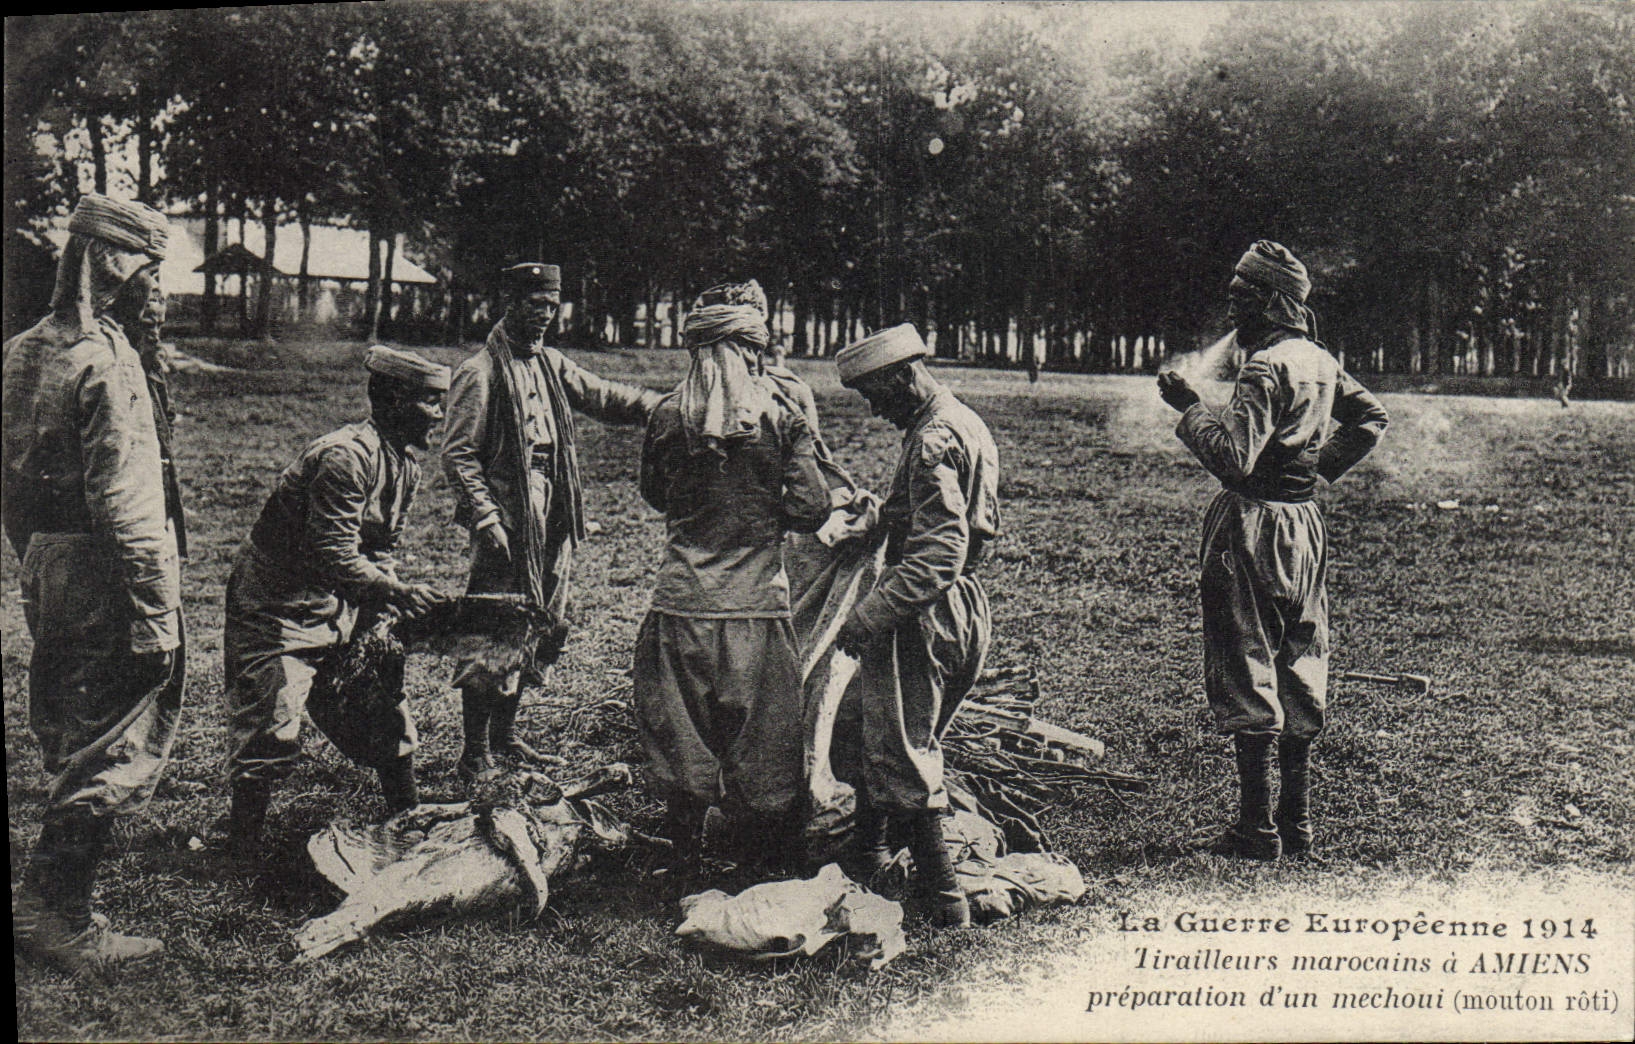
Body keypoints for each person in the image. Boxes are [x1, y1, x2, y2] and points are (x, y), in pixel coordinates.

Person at [1158, 240, 1388, 861]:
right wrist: (1314, 474)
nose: (1233, 308)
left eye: (1241, 296)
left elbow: (1233, 460)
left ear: (1270, 300)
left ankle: (1258, 829)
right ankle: (1299, 826)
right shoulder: (1316, 358)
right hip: (1303, 526)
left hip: (1252, 525)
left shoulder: (1265, 367)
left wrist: (1189, 409)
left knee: (1247, 658)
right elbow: (1370, 418)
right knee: (1299, 656)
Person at [4, 193, 185, 974]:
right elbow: (128, 503)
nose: (159, 286)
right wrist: (152, 616)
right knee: (111, 742)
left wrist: (36, 562)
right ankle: (60, 917)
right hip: (105, 570)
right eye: (151, 268)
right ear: (118, 268)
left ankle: (50, 905)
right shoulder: (107, 364)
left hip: (48, 561)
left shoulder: (23, 350)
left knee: (77, 724)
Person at [633, 281, 832, 875]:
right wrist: (762, 507)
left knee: (681, 736)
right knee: (764, 739)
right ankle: (756, 861)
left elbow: (653, 494)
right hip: (756, 605)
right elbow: (814, 508)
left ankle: (687, 859)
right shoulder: (782, 414)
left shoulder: (667, 415)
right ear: (749, 349)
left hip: (681, 603)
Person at [222, 347, 449, 862]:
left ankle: (407, 820)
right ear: (394, 400)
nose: (440, 415)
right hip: (274, 603)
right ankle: (241, 850)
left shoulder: (404, 465)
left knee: (382, 705)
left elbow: (380, 549)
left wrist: (379, 623)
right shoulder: (346, 457)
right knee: (272, 723)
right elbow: (331, 554)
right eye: (431, 403)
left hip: (340, 599)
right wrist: (396, 594)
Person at [442, 262, 662, 783]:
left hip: (553, 507)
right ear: (509, 303)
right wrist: (487, 518)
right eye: (534, 303)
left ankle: (505, 736)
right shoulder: (480, 372)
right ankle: (475, 752)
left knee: (546, 621)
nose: (544, 314)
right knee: (495, 627)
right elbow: (458, 455)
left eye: (551, 304)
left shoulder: (550, 365)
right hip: (510, 512)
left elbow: (604, 396)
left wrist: (665, 407)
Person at [832, 324, 1000, 928]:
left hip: (922, 613)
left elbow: (939, 551)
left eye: (876, 393)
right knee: (859, 726)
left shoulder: (931, 439)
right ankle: (869, 850)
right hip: (955, 606)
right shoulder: (962, 419)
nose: (875, 410)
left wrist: (871, 614)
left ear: (904, 375)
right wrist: (883, 513)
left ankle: (943, 896)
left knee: (905, 752)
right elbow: (940, 519)